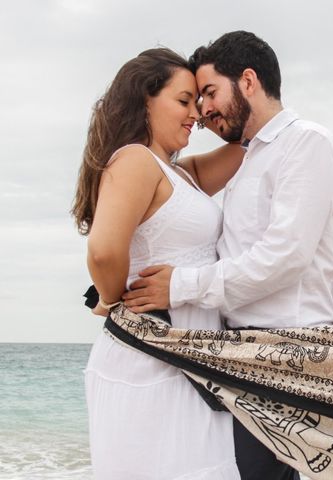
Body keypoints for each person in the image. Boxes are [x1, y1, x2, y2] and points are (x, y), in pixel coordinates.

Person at [122, 31, 333, 480]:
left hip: (285, 352)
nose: (203, 110)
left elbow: (284, 257)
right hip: (240, 356)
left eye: (209, 93)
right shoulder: (250, 158)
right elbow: (197, 228)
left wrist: (179, 286)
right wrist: (118, 286)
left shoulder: (307, 143)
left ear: (248, 81)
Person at [72, 48, 244, 480]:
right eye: (184, 101)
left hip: (195, 359)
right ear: (145, 99)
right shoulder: (133, 159)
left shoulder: (182, 174)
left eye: (198, 103)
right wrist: (115, 301)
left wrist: (226, 103)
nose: (196, 114)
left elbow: (249, 145)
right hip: (151, 360)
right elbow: (104, 251)